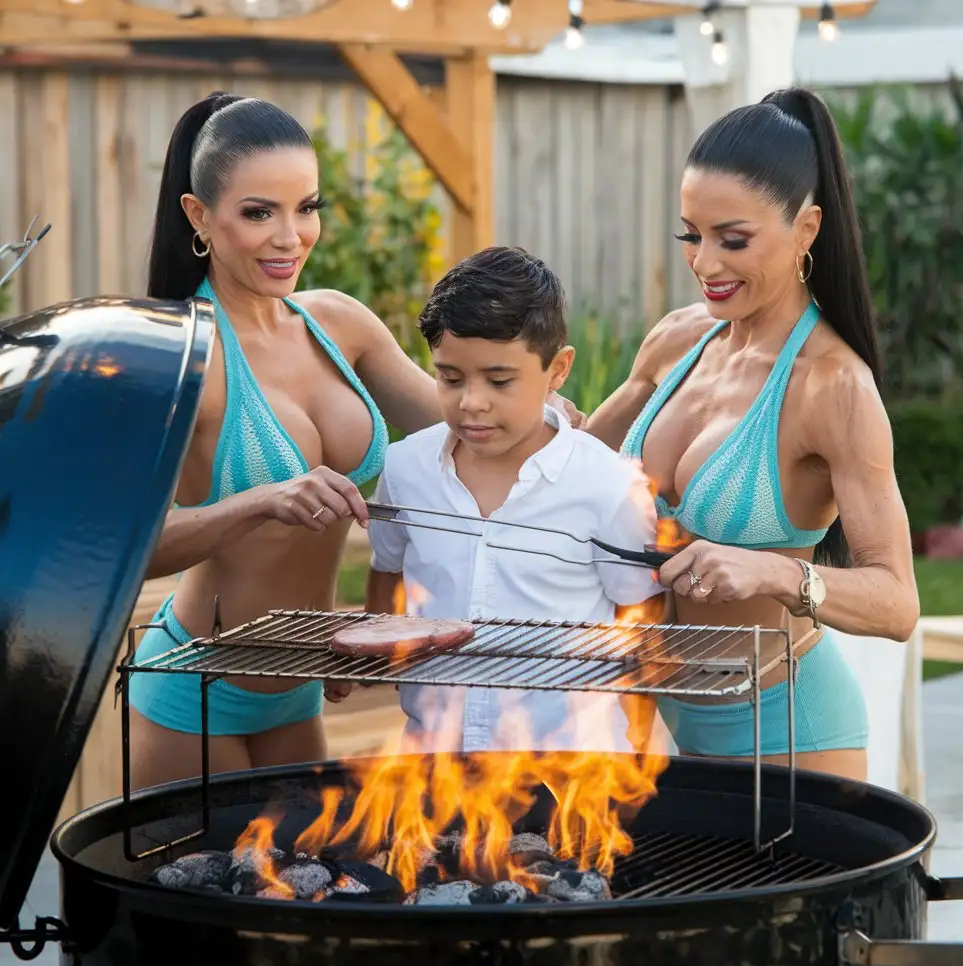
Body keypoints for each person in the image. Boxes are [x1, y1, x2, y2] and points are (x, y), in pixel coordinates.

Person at [586, 88, 920, 782]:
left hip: (787, 726)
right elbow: (574, 467)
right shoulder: (676, 342)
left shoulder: (832, 387)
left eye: (733, 240)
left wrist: (773, 570)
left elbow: (897, 603)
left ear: (806, 229)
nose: (705, 264)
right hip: (658, 712)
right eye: (691, 235)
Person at [126, 92, 443, 789]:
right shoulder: (185, 357)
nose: (290, 236)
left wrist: (544, 408)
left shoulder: (339, 324)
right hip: (198, 685)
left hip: (298, 678)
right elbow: (127, 550)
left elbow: (463, 424)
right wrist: (261, 500)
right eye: (258, 212)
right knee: (207, 895)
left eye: (307, 207)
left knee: (309, 886)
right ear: (199, 217)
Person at [365, 246, 673, 754]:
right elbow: (387, 566)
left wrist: (638, 742)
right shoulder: (405, 468)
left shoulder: (606, 483)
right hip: (436, 761)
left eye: (500, 380)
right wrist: (375, 659)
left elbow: (642, 615)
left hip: (572, 767)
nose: (471, 402)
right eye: (450, 377)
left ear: (558, 370)